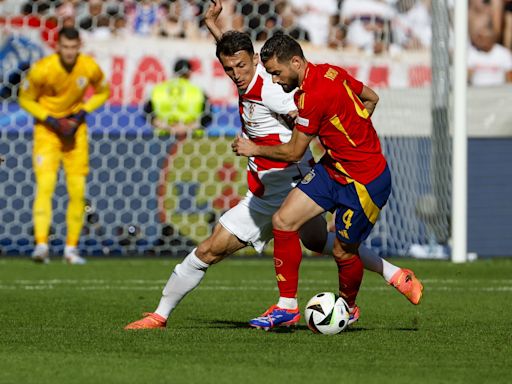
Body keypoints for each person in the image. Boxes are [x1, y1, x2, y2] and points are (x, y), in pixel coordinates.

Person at [124, 0, 422, 330]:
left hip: (284, 186)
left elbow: (298, 118)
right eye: (228, 69)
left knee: (209, 251)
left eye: (240, 67)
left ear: (259, 62)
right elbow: (234, 54)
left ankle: (162, 315)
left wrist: (267, 139)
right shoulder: (251, 74)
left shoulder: (278, 91)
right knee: (321, 243)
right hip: (285, 184)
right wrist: (212, 25)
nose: (234, 74)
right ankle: (394, 273)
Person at [232, 33, 421, 329]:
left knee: (343, 251)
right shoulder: (330, 71)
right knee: (283, 221)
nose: (276, 81)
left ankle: (349, 305)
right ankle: (287, 307)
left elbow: (294, 152)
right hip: (333, 168)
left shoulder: (313, 96)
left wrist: (253, 148)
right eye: (270, 75)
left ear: (295, 61)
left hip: (365, 182)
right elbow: (372, 97)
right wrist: (354, 129)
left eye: (277, 73)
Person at [18, 26, 110, 264]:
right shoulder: (42, 69)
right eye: (65, 47)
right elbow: (25, 98)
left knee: (77, 191)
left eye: (73, 47)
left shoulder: (88, 66)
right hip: (47, 132)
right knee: (45, 187)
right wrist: (48, 118)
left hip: (75, 132)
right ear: (57, 46)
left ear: (79, 46)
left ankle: (71, 249)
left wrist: (81, 113)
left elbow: (103, 91)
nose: (69, 52)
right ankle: (41, 245)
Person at [144, 58, 207, 138]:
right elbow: (207, 116)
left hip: (163, 135)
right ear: (190, 73)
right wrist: (185, 128)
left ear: (174, 72)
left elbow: (147, 113)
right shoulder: (198, 91)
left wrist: (168, 127)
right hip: (191, 136)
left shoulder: (158, 89)